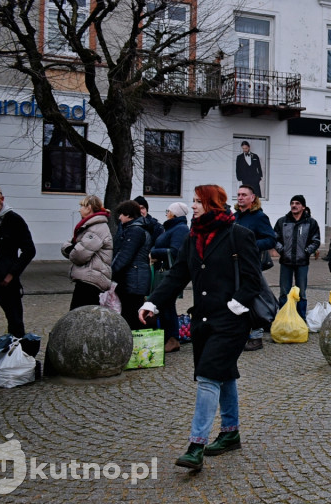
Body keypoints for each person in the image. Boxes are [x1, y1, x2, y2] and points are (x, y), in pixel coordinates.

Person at [138, 184, 261, 471]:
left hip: (231, 322)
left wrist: (234, 306)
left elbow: (253, 280)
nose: (192, 206)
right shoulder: (193, 236)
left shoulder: (239, 235)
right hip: (203, 321)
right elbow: (178, 274)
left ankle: (196, 445)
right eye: (193, 201)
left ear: (212, 204)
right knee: (223, 374)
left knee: (208, 377)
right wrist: (153, 303)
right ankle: (230, 433)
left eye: (198, 201)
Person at [0, 184, 35, 338]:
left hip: (6, 280)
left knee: (15, 320)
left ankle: (17, 348)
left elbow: (29, 250)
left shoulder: (14, 220)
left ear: (1, 199)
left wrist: (12, 274)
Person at [234, 185, 277, 351]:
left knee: (254, 300)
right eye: (238, 194)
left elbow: (271, 239)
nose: (240, 197)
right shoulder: (235, 216)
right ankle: (241, 334)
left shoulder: (259, 217)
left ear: (252, 198)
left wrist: (250, 245)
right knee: (238, 300)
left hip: (251, 265)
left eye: (244, 195)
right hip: (235, 265)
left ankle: (257, 336)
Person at [150, 202, 191, 352]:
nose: (166, 213)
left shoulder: (180, 229)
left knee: (167, 304)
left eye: (168, 210)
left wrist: (154, 253)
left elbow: (175, 251)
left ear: (174, 213)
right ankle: (169, 337)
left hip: (169, 272)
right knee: (164, 304)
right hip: (164, 269)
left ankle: (173, 338)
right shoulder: (173, 227)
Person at [62, 195, 113, 311]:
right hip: (88, 277)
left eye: (82, 206)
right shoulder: (88, 226)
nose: (79, 209)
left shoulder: (97, 228)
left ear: (89, 208)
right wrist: (72, 249)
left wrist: (72, 249)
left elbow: (79, 255)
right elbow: (68, 246)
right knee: (80, 313)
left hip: (91, 279)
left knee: (80, 314)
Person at [274, 195, 320, 320]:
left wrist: (306, 252)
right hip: (286, 262)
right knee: (284, 292)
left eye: (297, 203)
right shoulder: (282, 221)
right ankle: (283, 319)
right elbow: (274, 238)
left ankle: (301, 319)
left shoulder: (311, 222)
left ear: (303, 207)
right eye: (292, 203)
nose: (294, 205)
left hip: (302, 262)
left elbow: (316, 241)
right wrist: (282, 250)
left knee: (301, 293)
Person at [111, 200, 154, 330]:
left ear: (129, 215)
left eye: (121, 214)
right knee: (132, 313)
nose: (119, 218)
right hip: (135, 278)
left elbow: (124, 255)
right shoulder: (135, 228)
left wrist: (110, 272)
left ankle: (134, 341)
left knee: (131, 315)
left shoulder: (135, 230)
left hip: (133, 279)